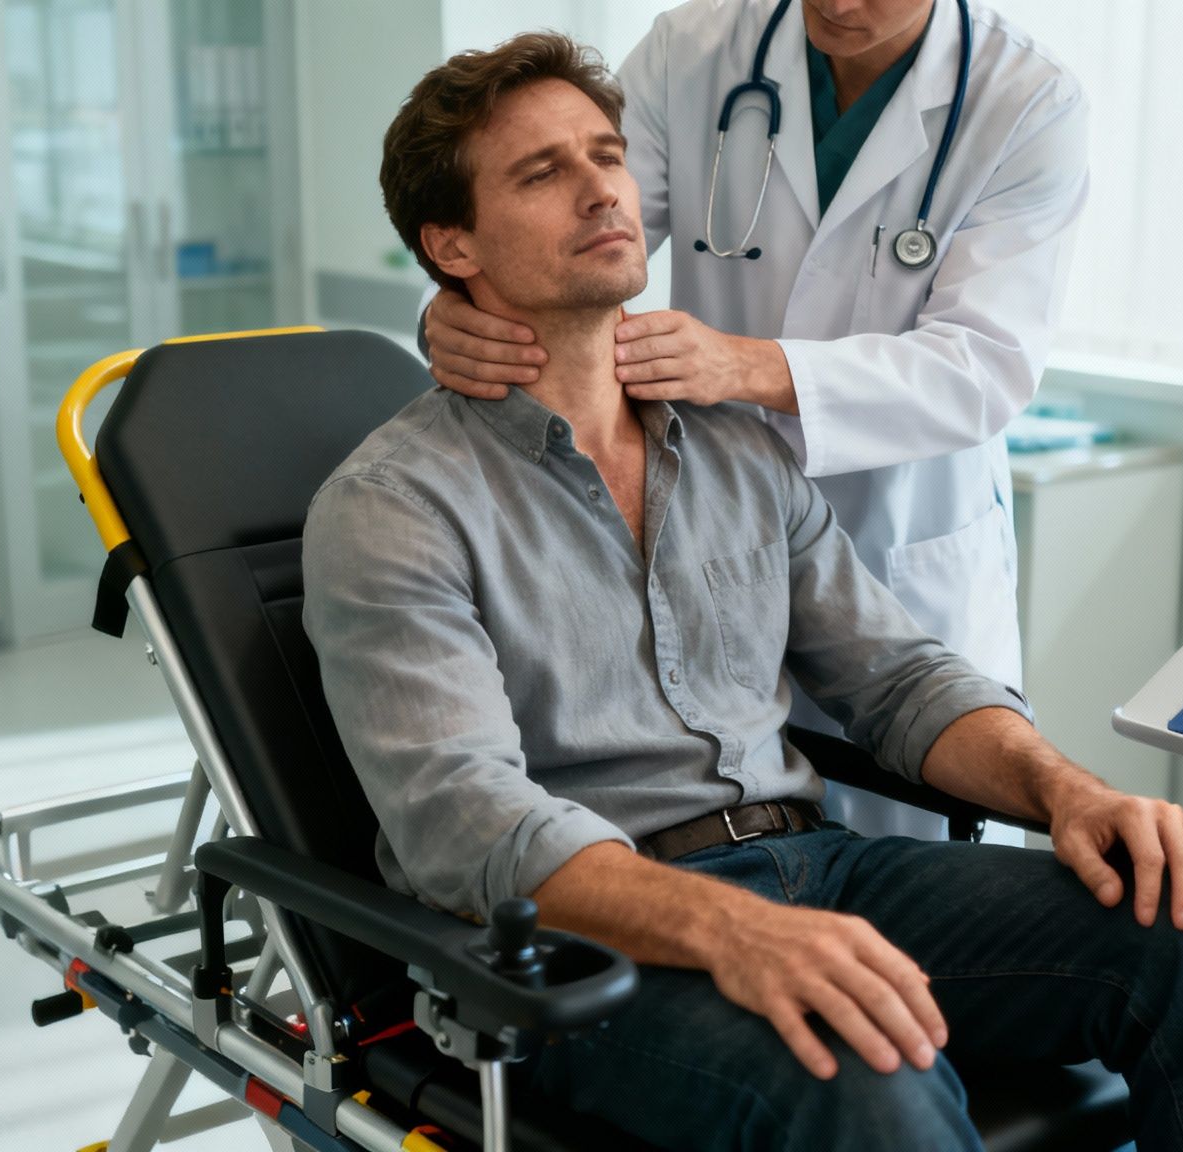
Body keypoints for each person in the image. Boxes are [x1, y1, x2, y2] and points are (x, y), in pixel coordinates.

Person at [307, 32, 1183, 1152]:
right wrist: (727, 928)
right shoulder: (395, 504)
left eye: (607, 155)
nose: (604, 189)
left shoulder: (734, 447)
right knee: (865, 1067)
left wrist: (1073, 798)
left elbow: (898, 678)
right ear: (449, 241)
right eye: (541, 172)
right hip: (581, 951)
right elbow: (465, 823)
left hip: (819, 864)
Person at [420, 0, 1089, 839]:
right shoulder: (693, 50)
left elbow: (985, 366)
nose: (838, 6)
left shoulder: (1026, 100)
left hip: (895, 545)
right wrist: (453, 309)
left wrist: (751, 366)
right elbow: (559, 228)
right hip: (708, 529)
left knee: (914, 857)